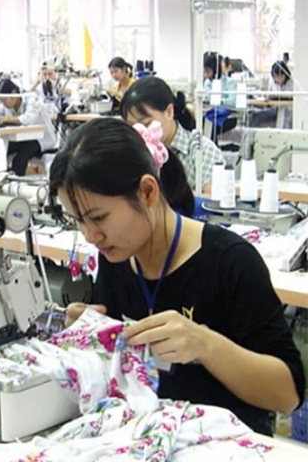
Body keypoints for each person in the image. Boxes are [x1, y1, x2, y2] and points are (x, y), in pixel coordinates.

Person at [48, 117, 305, 436]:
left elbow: (287, 395)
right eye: (78, 221)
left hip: (225, 444)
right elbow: (117, 369)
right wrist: (90, 335)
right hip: (146, 436)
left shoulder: (230, 262)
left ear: (147, 192)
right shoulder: (116, 256)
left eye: (99, 218)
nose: (90, 236)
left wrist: (204, 344)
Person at [121, 76, 224, 192]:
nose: (140, 133)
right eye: (132, 127)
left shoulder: (201, 150)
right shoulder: (132, 152)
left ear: (169, 112)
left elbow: (213, 198)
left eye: (146, 124)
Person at [0, 79, 57, 176]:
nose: (3, 104)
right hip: (23, 139)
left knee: (20, 158)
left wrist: (4, 119)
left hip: (41, 139)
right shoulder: (6, 105)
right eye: (1, 101)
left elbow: (27, 119)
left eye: (4, 100)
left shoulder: (31, 99)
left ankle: (15, 182)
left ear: (13, 93)